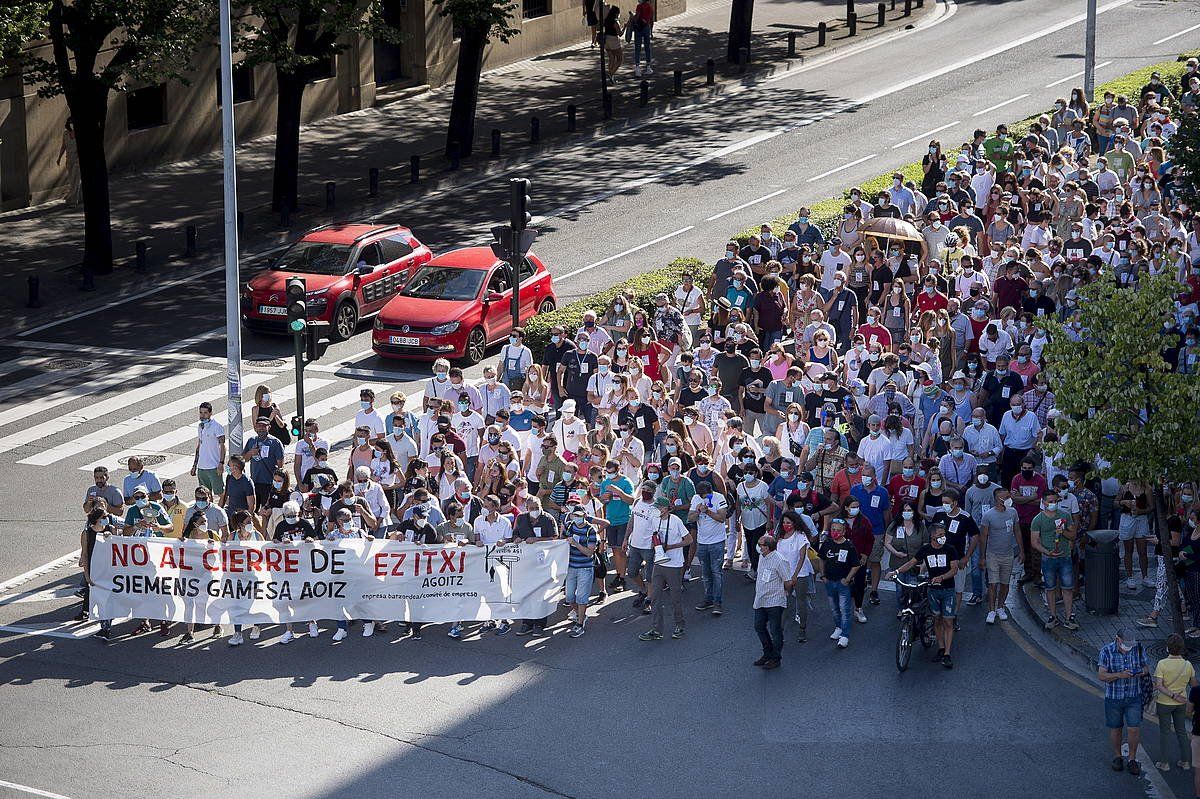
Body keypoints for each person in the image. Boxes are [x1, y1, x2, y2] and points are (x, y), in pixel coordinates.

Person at [894, 521, 959, 668]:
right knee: (937, 619)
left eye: (944, 535)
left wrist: (941, 577)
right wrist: (896, 572)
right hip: (932, 591)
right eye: (940, 535)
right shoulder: (926, 550)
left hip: (947, 590)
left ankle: (947, 653)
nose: (943, 537)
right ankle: (941, 648)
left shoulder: (950, 550)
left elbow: (954, 569)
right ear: (932, 536)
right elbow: (911, 563)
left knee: (948, 621)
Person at [637, 499, 692, 642]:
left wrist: (671, 546)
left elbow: (689, 540)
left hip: (674, 565)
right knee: (654, 597)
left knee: (675, 598)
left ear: (666, 508)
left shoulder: (676, 521)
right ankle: (656, 629)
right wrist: (654, 545)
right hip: (659, 563)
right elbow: (653, 538)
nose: (655, 510)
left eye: (658, 507)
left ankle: (680, 626)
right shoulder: (655, 520)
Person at [1098, 628, 1148, 776]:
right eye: (1126, 643)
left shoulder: (1138, 648)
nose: (1129, 647)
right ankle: (1117, 756)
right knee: (1116, 728)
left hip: (1134, 696)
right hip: (1114, 697)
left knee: (1134, 728)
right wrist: (1120, 675)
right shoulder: (1106, 651)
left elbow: (1146, 668)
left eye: (1130, 644)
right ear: (1118, 639)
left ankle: (1132, 759)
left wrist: (1139, 672)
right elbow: (1101, 675)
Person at [1031, 490, 1078, 630]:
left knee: (1067, 588)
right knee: (1050, 588)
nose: (1053, 504)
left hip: (1065, 557)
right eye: (1050, 501)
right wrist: (1047, 552)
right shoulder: (1037, 520)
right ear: (1043, 502)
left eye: (1055, 501)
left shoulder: (1065, 515)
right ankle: (1053, 616)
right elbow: (1034, 542)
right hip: (1048, 559)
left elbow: (1073, 535)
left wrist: (1062, 531)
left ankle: (1069, 617)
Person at [1153, 634, 1196, 773]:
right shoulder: (1187, 664)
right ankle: (1185, 762)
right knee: (1182, 732)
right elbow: (1194, 685)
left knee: (1165, 732)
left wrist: (1172, 695)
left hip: (1164, 702)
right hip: (1182, 702)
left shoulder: (1162, 664)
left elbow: (1159, 685)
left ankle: (1164, 763)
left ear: (1167, 648)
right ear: (1182, 649)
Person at [979, 487, 1021, 624]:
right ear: (998, 499)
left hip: (1008, 554)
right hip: (993, 555)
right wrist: (982, 557)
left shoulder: (1013, 512)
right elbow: (983, 537)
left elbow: (1017, 531)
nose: (1009, 499)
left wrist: (1022, 550)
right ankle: (991, 610)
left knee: (1005, 584)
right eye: (1006, 497)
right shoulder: (988, 516)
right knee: (993, 584)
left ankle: (1000, 607)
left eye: (1009, 496)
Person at [817, 517, 859, 649]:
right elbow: (821, 559)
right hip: (829, 581)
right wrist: (823, 575)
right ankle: (838, 627)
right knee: (834, 608)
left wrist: (847, 579)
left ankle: (845, 635)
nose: (835, 532)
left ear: (844, 531)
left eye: (838, 530)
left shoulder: (849, 546)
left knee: (844, 609)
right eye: (833, 529)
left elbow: (856, 565)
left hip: (842, 584)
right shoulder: (827, 544)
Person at [689, 479, 728, 615]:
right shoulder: (695, 498)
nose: (704, 498)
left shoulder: (719, 498)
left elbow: (722, 517)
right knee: (705, 573)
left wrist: (708, 512)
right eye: (701, 496)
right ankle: (708, 598)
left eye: (705, 495)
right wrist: (699, 511)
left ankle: (717, 602)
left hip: (717, 541)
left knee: (716, 572)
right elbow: (691, 518)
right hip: (702, 542)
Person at [752, 535, 792, 670]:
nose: (758, 546)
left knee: (775, 630)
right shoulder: (762, 557)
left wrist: (785, 594)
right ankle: (767, 653)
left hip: (775, 600)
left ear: (767, 547)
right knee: (759, 626)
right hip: (761, 599)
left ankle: (776, 657)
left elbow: (788, 581)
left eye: (760, 544)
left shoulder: (780, 560)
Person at [563, 508, 599, 638]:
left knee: (582, 597)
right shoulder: (569, 526)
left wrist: (576, 544)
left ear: (584, 515)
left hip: (585, 567)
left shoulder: (591, 530)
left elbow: (589, 553)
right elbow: (561, 541)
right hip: (571, 567)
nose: (576, 518)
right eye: (574, 515)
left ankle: (579, 624)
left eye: (578, 515)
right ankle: (580, 614)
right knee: (569, 597)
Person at [190, 402, 226, 496]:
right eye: (201, 412)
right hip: (202, 467)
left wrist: (221, 463)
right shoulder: (200, 426)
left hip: (213, 467)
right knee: (205, 495)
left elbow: (222, 446)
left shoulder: (217, 427)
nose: (202, 415)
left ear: (210, 413)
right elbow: (199, 445)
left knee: (220, 493)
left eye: (205, 413)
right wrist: (195, 465)